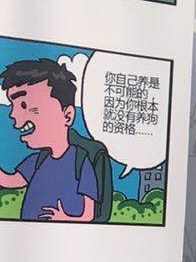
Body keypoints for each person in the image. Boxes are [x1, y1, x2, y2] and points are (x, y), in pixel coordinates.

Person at [0, 58, 112, 222]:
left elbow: (89, 214)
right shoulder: (37, 160)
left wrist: (65, 219)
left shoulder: (81, 160)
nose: (12, 114)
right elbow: (10, 181)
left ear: (67, 116)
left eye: (24, 105)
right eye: (12, 106)